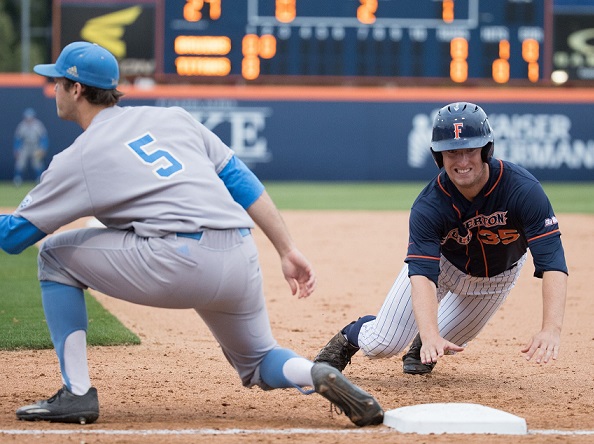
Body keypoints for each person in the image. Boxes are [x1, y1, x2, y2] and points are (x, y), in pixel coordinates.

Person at [0, 41, 383, 427]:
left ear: (76, 89)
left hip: (177, 262)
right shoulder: (173, 119)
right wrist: (286, 248)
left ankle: (77, 394)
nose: (54, 91)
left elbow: (14, 237)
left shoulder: (78, 157)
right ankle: (313, 373)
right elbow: (240, 180)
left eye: (58, 83)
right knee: (259, 360)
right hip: (238, 255)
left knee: (53, 256)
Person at [314, 102, 568, 377]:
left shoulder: (523, 190)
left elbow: (552, 259)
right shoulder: (429, 205)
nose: (462, 161)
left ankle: (420, 347)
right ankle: (349, 336)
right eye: (452, 152)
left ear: (486, 149)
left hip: (494, 278)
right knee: (382, 343)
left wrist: (550, 329)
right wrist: (430, 330)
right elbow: (422, 272)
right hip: (443, 267)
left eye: (470, 150)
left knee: (451, 340)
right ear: (439, 156)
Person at [13, 107, 49, 186]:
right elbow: (18, 139)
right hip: (25, 146)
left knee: (37, 163)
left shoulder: (38, 125)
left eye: (30, 118)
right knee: (20, 162)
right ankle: (17, 179)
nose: (29, 120)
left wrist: (43, 148)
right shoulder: (22, 125)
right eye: (27, 118)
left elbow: (43, 138)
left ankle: (39, 179)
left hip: (35, 146)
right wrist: (16, 149)